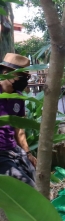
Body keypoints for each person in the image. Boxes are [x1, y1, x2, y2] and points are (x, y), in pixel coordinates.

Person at [0, 53, 37, 188]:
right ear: (6, 73)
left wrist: (27, 153)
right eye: (22, 76)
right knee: (29, 188)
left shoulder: (18, 97)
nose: (25, 80)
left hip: (13, 150)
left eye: (26, 77)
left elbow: (19, 129)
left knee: (37, 180)